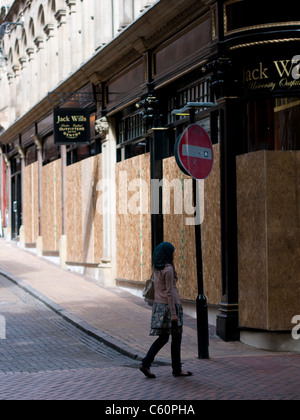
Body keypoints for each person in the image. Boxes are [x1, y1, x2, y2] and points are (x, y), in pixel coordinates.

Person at [139, 242, 193, 378]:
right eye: (172, 252)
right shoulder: (168, 269)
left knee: (163, 338)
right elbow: (169, 292)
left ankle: (146, 363)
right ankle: (177, 369)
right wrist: (174, 314)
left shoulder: (156, 268)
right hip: (170, 307)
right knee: (176, 338)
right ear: (167, 253)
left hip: (159, 307)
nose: (174, 254)